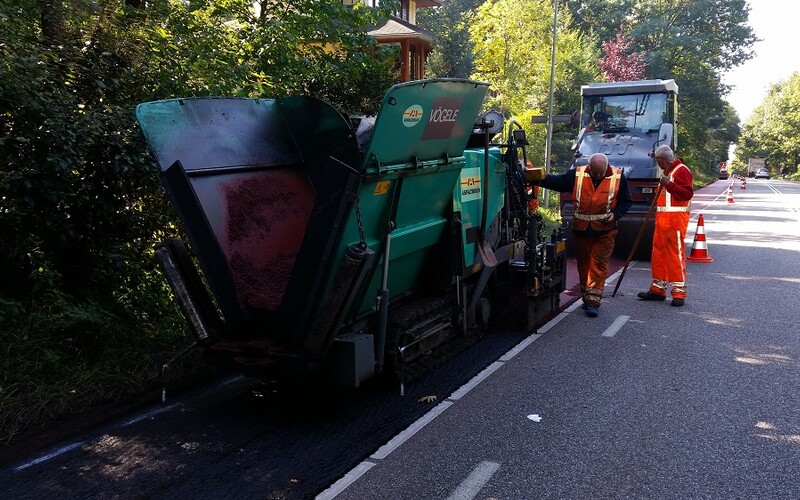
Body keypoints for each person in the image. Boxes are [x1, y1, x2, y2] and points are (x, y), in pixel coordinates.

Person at [532, 153, 632, 317]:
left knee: (598, 264)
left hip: (606, 231)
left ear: (606, 167)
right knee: (584, 263)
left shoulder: (619, 177)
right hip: (582, 230)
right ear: (589, 167)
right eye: (595, 172)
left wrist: (615, 214)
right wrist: (536, 178)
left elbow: (626, 201)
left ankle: (593, 301)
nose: (598, 175)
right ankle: (587, 295)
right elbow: (557, 182)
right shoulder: (577, 175)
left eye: (601, 172)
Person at [637, 145, 694, 307]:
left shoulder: (681, 171)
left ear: (663, 159)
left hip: (675, 221)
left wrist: (669, 185)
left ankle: (679, 292)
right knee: (658, 254)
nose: (658, 164)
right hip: (662, 221)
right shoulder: (667, 172)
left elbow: (687, 194)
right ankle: (658, 289)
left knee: (675, 255)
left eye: (658, 161)